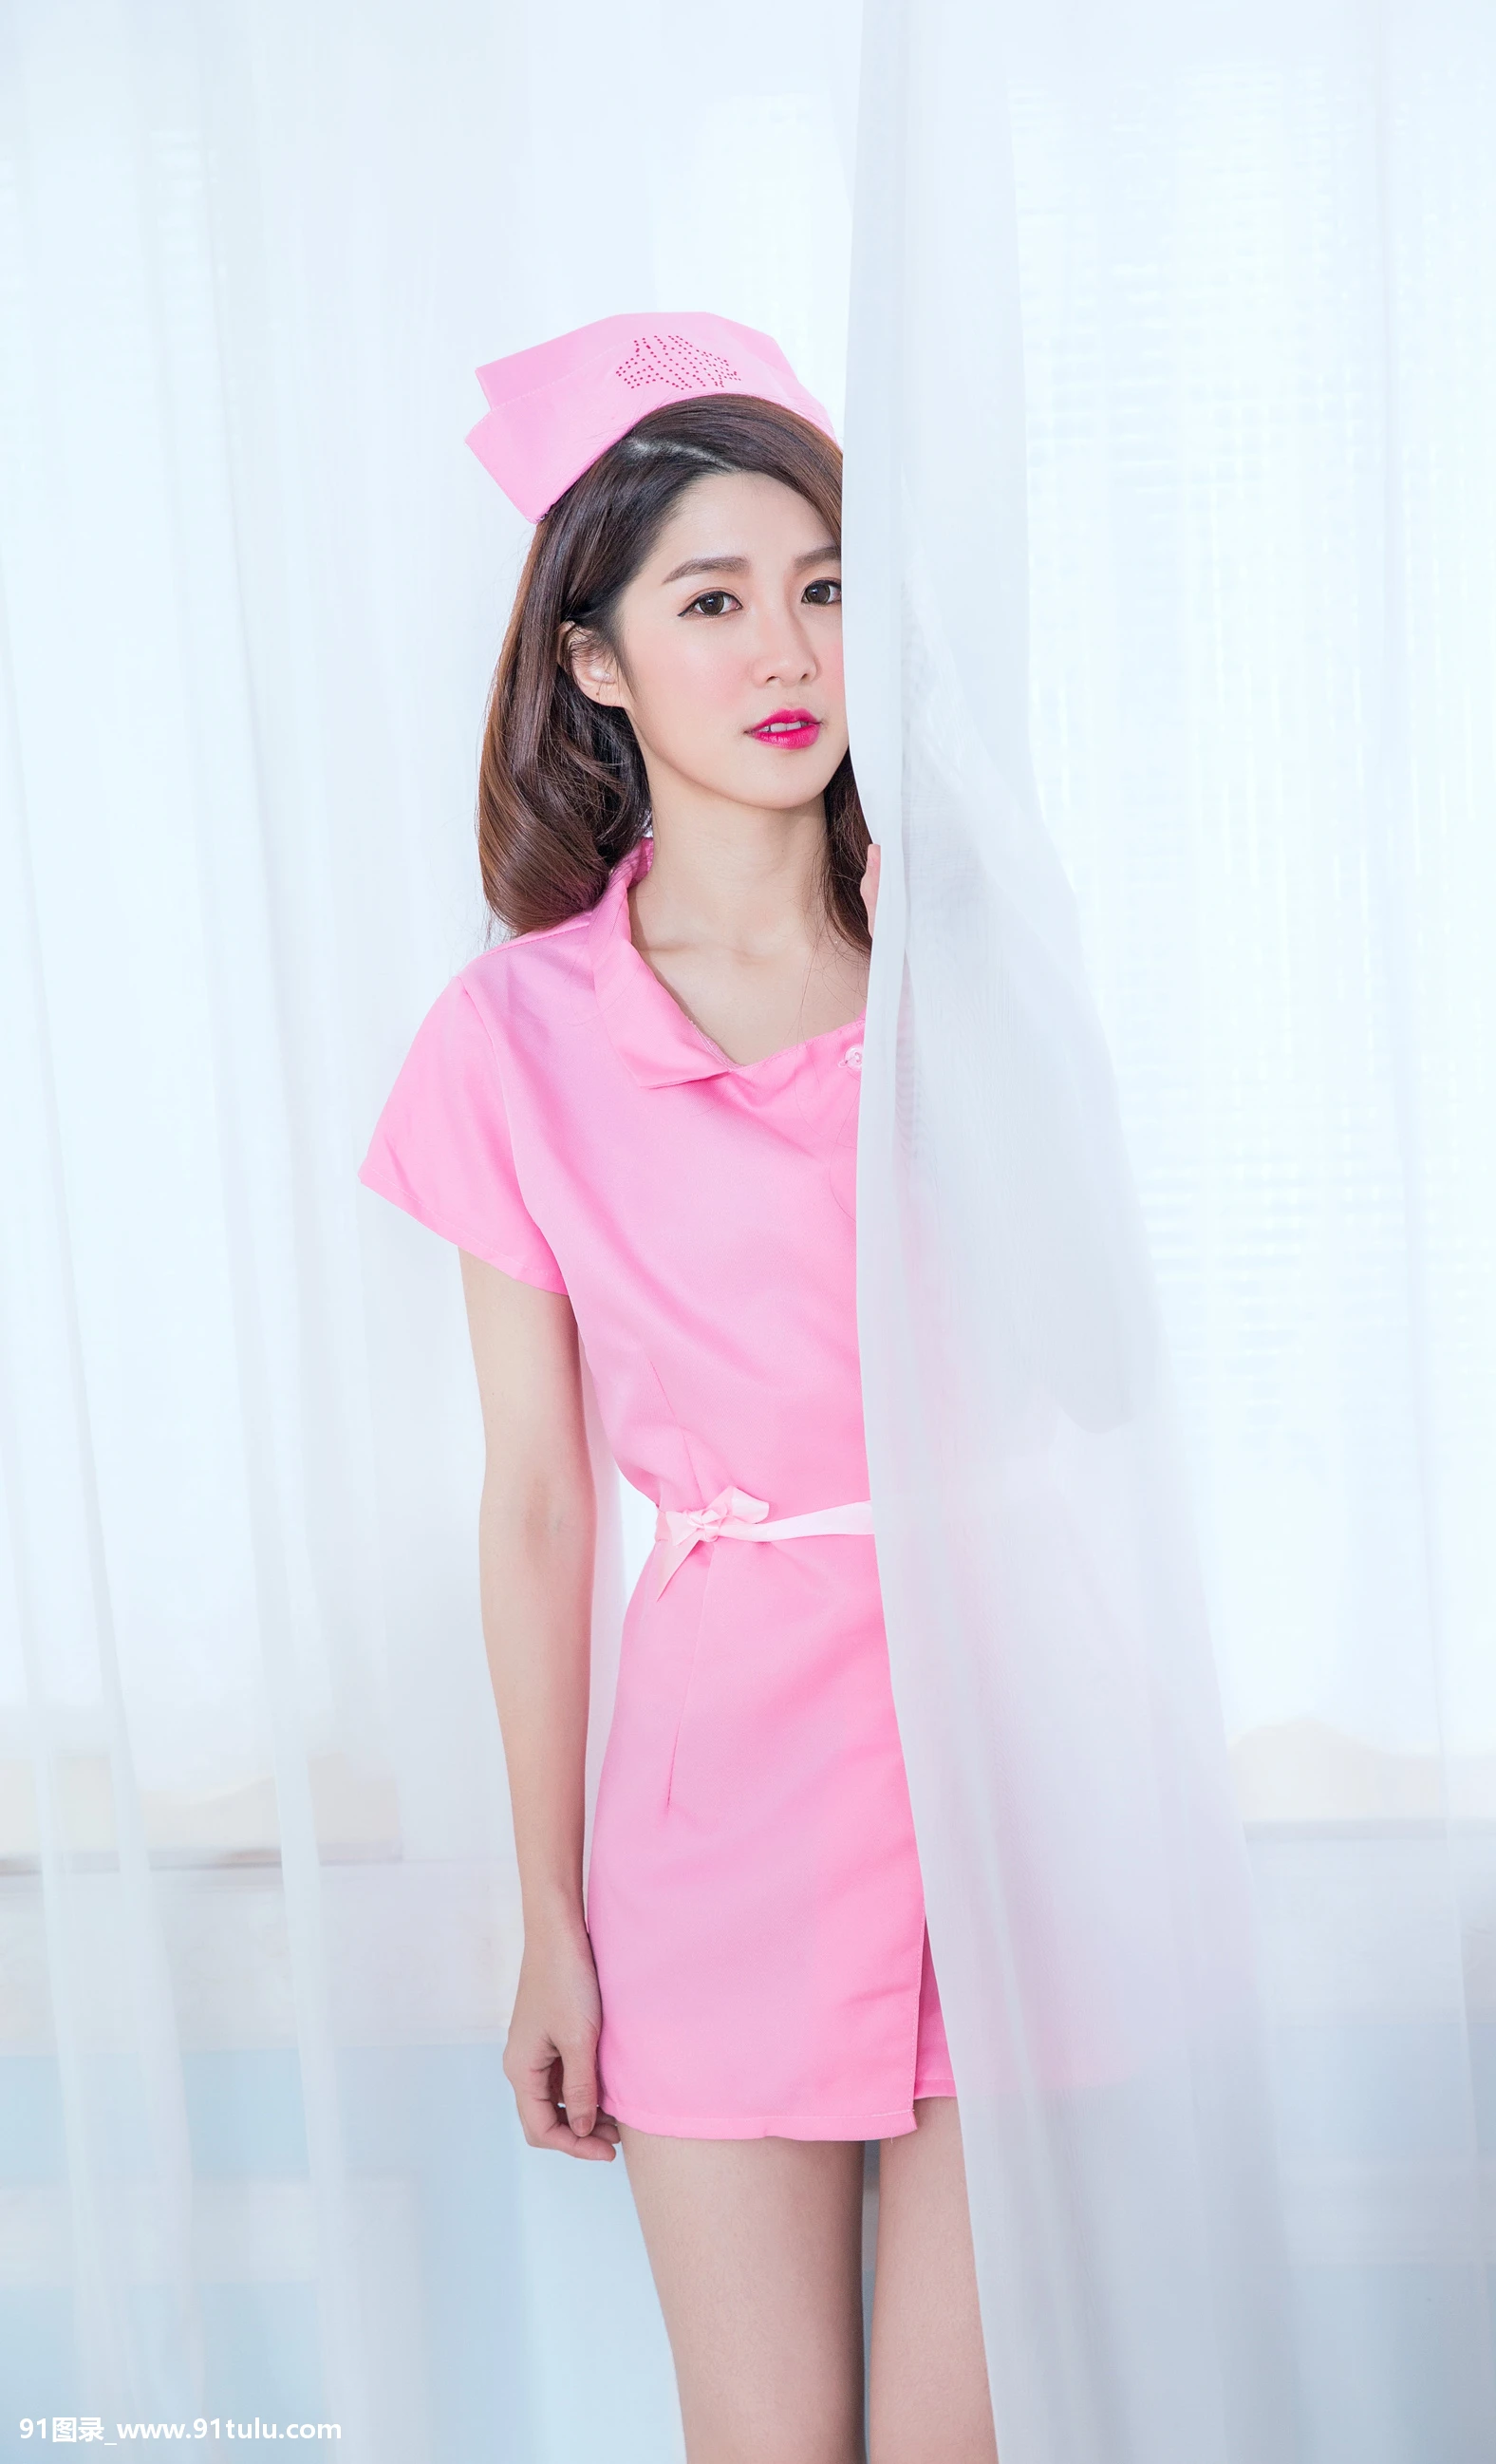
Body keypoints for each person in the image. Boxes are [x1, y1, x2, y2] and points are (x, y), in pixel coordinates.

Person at [359, 313, 997, 2463]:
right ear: (597, 660)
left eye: (822, 586)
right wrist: (549, 1921)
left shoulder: (968, 976)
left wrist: (980, 1017)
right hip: (724, 1805)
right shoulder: (511, 1037)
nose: (785, 648)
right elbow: (538, 1503)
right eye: (709, 601)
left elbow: (1090, 1390)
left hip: (1002, 1769)